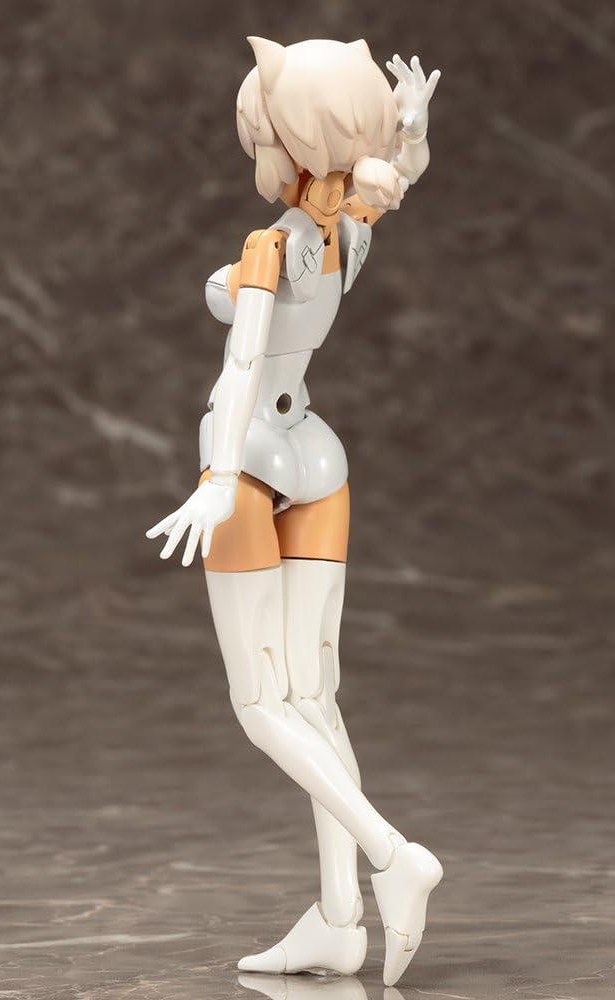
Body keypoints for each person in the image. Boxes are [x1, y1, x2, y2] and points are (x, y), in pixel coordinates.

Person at [147, 37, 442, 987]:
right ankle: (337, 917)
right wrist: (409, 132)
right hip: (317, 453)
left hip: (253, 461)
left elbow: (241, 364)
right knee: (314, 696)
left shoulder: (271, 246)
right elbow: (399, 177)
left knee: (261, 704)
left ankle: (392, 856)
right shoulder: (353, 229)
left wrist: (217, 474)